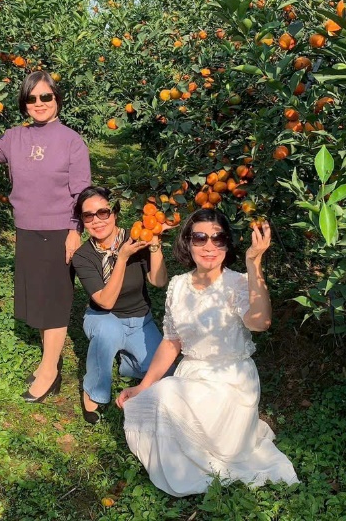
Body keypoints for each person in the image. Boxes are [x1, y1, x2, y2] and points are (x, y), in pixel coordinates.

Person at [116, 209, 299, 496]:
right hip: (191, 377)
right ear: (187, 243)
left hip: (232, 385)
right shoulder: (177, 285)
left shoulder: (238, 283)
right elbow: (171, 341)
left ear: (228, 243)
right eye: (200, 238)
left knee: (165, 396)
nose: (209, 247)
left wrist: (254, 263)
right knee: (154, 398)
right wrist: (143, 385)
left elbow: (260, 323)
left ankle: (217, 445)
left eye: (218, 238)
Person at [0, 71, 90, 403]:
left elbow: (81, 192)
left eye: (45, 97)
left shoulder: (71, 141)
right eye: (32, 98)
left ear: (57, 100)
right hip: (26, 229)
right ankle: (47, 360)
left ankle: (50, 371)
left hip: (57, 231)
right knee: (38, 298)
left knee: (52, 302)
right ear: (24, 103)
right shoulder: (14, 137)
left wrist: (73, 230)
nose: (39, 104)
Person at [71, 187, 170, 424]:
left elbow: (158, 281)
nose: (96, 220)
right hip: (104, 317)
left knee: (166, 374)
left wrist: (155, 244)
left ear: (114, 213)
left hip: (139, 319)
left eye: (103, 212)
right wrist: (122, 258)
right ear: (83, 222)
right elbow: (105, 301)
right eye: (88, 216)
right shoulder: (83, 256)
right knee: (108, 332)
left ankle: (128, 363)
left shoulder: (137, 237)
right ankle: (94, 392)